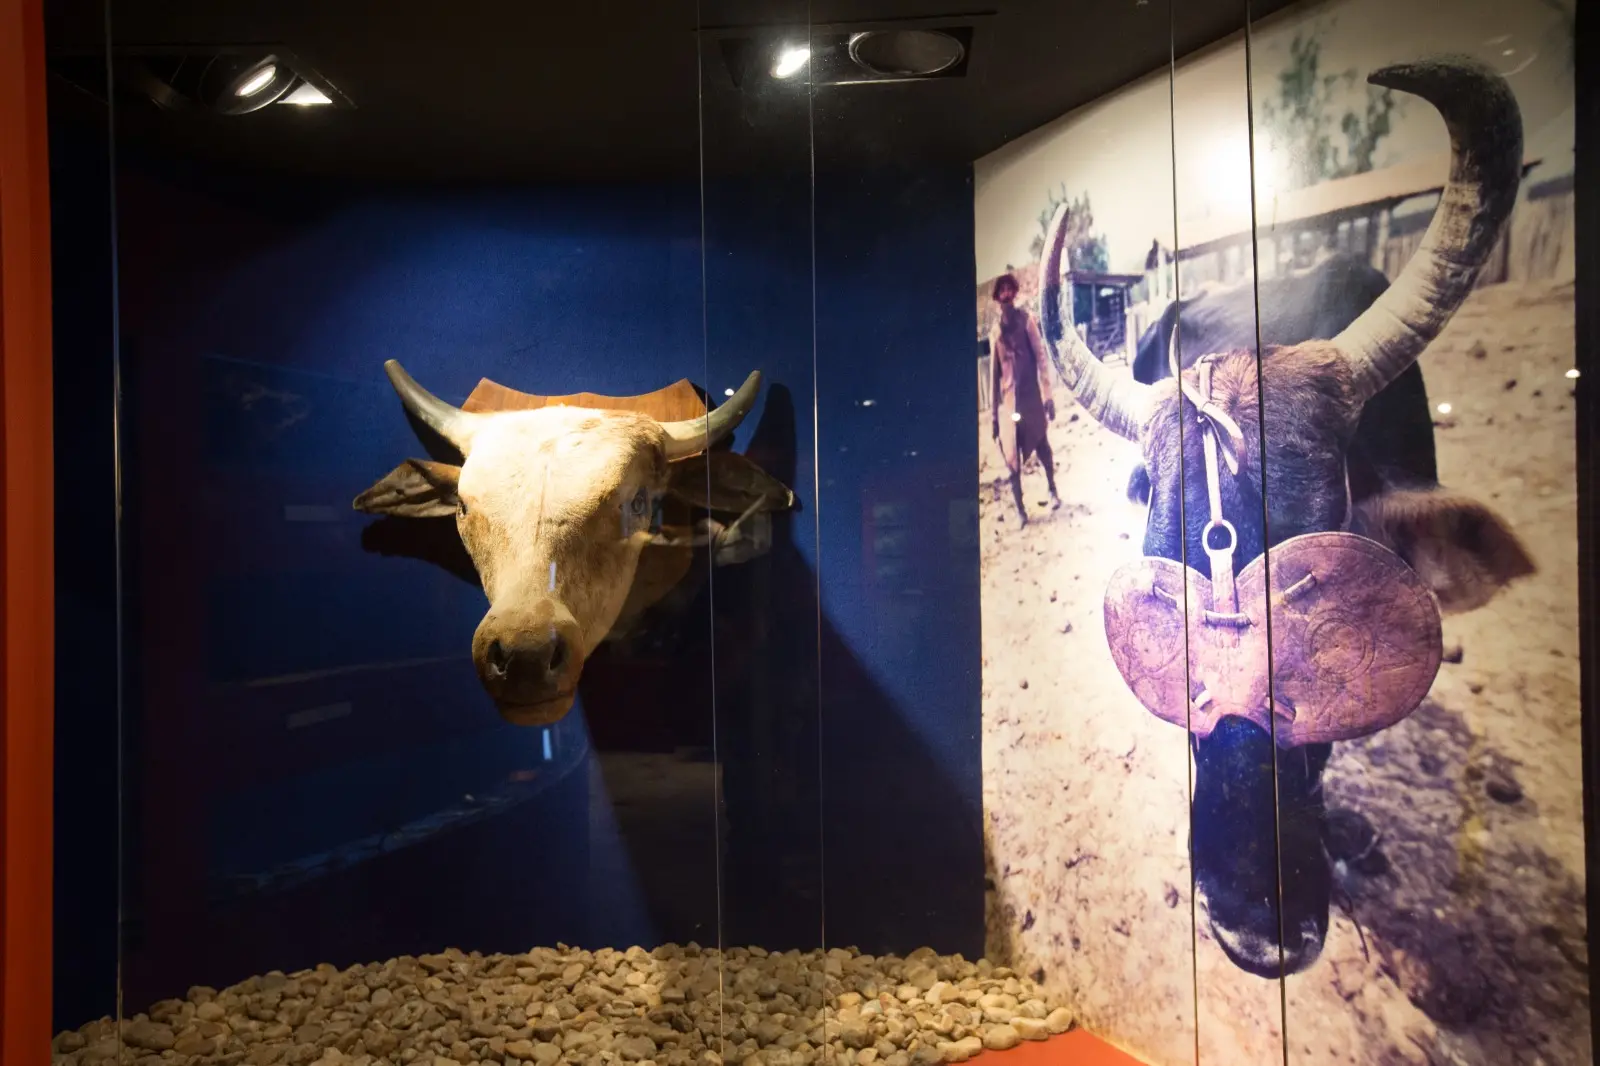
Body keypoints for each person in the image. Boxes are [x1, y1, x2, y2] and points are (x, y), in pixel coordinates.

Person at [988, 273, 1060, 526]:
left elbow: (1041, 359)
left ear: (1015, 294)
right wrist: (993, 417)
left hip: (1031, 399)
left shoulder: (1027, 321)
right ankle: (1020, 511)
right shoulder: (995, 333)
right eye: (1002, 291)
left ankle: (1053, 490)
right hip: (1009, 406)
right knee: (1011, 460)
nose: (1007, 295)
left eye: (1010, 290)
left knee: (1042, 445)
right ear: (997, 298)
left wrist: (1048, 396)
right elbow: (993, 378)